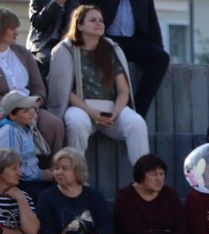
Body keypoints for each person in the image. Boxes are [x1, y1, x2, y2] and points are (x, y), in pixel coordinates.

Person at [46, 5, 150, 165]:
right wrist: (91, 113)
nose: (99, 23)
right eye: (93, 20)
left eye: (101, 20)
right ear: (79, 25)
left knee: (137, 123)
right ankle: (76, 178)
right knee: (75, 122)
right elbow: (63, 90)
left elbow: (123, 90)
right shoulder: (65, 50)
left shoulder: (110, 50)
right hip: (80, 107)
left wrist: (115, 113)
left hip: (110, 110)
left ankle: (143, 176)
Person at [0, 7, 65, 153]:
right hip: (4, 111)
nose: (17, 32)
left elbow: (38, 88)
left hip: (29, 106)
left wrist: (33, 108)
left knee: (53, 124)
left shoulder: (23, 53)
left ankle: (50, 171)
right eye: (12, 28)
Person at [93, 0, 169, 117]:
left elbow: (152, 22)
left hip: (132, 41)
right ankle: (107, 114)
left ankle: (137, 114)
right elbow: (85, 13)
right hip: (104, 39)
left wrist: (160, 47)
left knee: (161, 58)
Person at [0, 91, 54, 200]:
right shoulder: (10, 132)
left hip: (32, 178)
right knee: (48, 198)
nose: (31, 113)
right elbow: (12, 168)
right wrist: (41, 175)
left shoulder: (26, 127)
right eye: (25, 111)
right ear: (12, 115)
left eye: (31, 108)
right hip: (20, 182)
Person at [27, 0, 79, 77]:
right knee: (50, 61)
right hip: (43, 43)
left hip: (67, 43)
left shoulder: (74, 2)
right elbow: (38, 23)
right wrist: (56, 3)